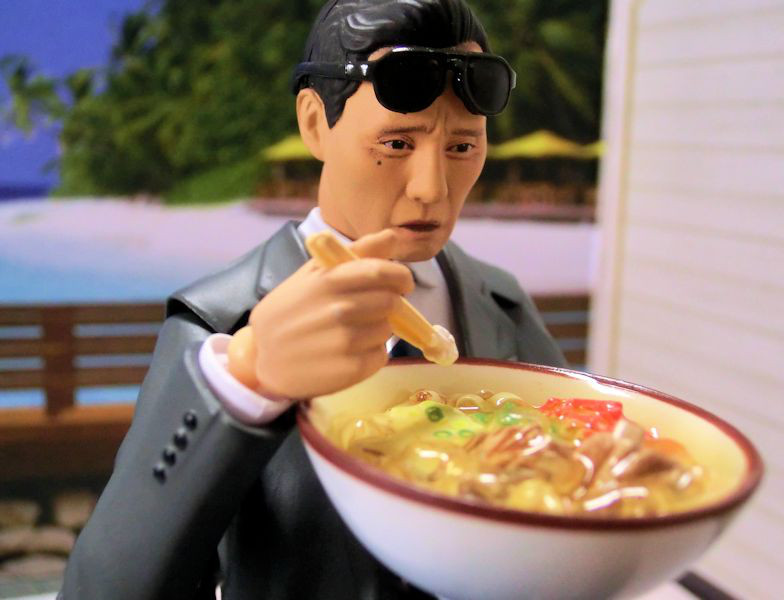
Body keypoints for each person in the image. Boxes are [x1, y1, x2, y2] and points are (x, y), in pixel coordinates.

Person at [60, 1, 566, 598]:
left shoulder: (500, 303)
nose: (432, 189)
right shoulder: (223, 322)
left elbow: (567, 469)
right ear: (315, 123)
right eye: (396, 143)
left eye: (461, 148)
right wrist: (242, 382)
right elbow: (107, 586)